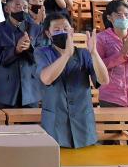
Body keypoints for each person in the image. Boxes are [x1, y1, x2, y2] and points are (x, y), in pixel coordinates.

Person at [35, 13, 109, 148]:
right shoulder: (42, 52)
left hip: (83, 122)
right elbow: (46, 79)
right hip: (55, 123)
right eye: (57, 30)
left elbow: (103, 80)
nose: (62, 32)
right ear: (48, 33)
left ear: (72, 31)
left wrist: (94, 53)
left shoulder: (83, 54)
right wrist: (66, 55)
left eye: (65, 29)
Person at [0, 0, 44, 108]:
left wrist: (29, 48)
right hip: (6, 90)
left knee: (31, 119)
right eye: (17, 6)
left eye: (25, 7)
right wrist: (16, 50)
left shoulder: (36, 29)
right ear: (7, 9)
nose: (22, 10)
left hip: (30, 89)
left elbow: (42, 58)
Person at [95, 0, 128, 108]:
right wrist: (120, 55)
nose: (123, 18)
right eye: (119, 15)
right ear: (109, 17)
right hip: (111, 97)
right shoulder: (100, 38)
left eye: (126, 14)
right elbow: (98, 66)